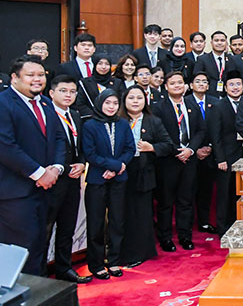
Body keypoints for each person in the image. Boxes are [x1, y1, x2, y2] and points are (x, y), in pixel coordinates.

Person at [0, 55, 65, 276]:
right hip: (9, 193)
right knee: (18, 255)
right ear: (14, 78)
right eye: (30, 75)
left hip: (41, 191)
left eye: (41, 75)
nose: (37, 79)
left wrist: (56, 168)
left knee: (38, 249)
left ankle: (38, 291)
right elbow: (4, 147)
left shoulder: (45, 103)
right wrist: (39, 174)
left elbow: (58, 138)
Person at [118, 85, 174, 268]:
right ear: (124, 100)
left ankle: (140, 252)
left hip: (144, 172)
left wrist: (152, 148)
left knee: (141, 214)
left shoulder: (153, 121)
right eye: (131, 98)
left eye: (139, 98)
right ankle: (119, 252)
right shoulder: (117, 120)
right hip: (121, 172)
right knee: (122, 213)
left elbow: (168, 145)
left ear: (145, 101)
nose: (135, 101)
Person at [82, 89, 135, 279]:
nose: (111, 107)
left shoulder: (123, 123)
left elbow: (130, 148)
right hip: (97, 179)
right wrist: (115, 166)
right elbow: (90, 153)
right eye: (107, 103)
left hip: (119, 179)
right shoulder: (89, 125)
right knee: (96, 223)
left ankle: (113, 261)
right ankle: (96, 264)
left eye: (114, 103)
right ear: (100, 103)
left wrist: (118, 167)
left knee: (117, 222)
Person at [152, 71, 207, 252]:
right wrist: (176, 150)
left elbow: (201, 130)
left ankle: (185, 236)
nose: (177, 86)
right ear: (166, 86)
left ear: (185, 85)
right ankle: (166, 238)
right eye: (173, 83)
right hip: (168, 161)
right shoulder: (159, 107)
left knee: (186, 200)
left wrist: (190, 149)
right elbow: (159, 133)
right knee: (166, 202)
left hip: (189, 160)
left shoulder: (192, 104)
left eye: (180, 82)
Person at [45, 75, 91, 283]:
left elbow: (79, 146)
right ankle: (41, 275)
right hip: (52, 179)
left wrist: (82, 163)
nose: (68, 95)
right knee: (45, 230)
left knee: (67, 227)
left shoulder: (75, 115)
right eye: (63, 91)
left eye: (72, 92)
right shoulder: (46, 115)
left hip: (73, 179)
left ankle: (64, 269)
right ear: (51, 93)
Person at [208, 71, 243, 236]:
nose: (235, 88)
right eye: (231, 85)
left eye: (238, 84)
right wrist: (220, 159)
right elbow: (215, 136)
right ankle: (223, 228)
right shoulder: (219, 106)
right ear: (225, 87)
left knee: (239, 193)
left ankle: (239, 224)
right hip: (226, 157)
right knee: (224, 194)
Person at [185, 72, 217, 234]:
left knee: (206, 189)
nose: (201, 84)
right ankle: (188, 224)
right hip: (190, 153)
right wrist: (194, 149)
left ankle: (204, 222)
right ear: (191, 85)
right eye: (198, 81)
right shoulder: (184, 102)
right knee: (189, 190)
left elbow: (218, 128)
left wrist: (210, 146)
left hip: (210, 152)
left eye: (205, 81)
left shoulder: (215, 102)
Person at [193, 30, 231, 99]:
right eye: (216, 40)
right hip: (209, 96)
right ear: (211, 43)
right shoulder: (202, 59)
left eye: (222, 40)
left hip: (227, 97)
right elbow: (196, 78)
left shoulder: (232, 59)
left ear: (226, 43)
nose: (219, 43)